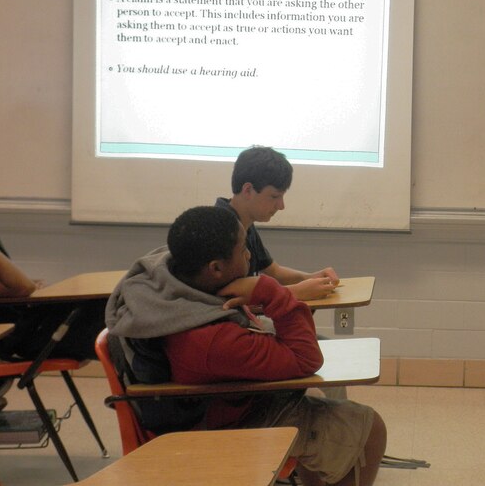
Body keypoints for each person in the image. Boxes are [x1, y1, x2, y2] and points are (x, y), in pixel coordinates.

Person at [105, 206, 386, 486]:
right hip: (221, 426)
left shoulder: (164, 278)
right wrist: (268, 290)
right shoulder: (212, 339)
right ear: (215, 268)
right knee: (369, 427)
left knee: (323, 396)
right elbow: (306, 359)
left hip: (215, 401)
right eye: (243, 250)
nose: (250, 256)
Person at [216, 145, 338, 301]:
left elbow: (274, 271)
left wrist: (310, 278)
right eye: (274, 197)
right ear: (247, 190)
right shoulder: (219, 229)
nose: (281, 206)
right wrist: (294, 292)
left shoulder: (245, 224)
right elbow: (227, 295)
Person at [0, 239, 106, 410]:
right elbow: (22, 287)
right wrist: (25, 286)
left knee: (108, 311)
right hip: (18, 336)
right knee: (103, 314)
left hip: (25, 327)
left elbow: (20, 285)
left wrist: (27, 285)